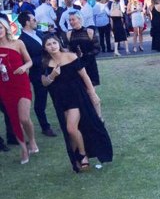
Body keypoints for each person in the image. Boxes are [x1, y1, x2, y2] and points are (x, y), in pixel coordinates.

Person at [41, 34, 112, 172]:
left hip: (77, 97)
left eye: (54, 43)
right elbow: (44, 82)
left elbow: (85, 76)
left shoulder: (71, 56)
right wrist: (52, 76)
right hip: (60, 100)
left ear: (59, 43)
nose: (52, 46)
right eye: (48, 44)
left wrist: (92, 94)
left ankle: (82, 155)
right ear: (45, 48)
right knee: (71, 132)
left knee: (71, 128)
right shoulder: (45, 62)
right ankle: (76, 159)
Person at [0, 13, 38, 164]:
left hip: (21, 83)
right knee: (14, 119)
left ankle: (32, 140)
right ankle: (23, 148)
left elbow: (29, 62)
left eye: (0, 27)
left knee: (24, 117)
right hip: (4, 86)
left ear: (5, 28)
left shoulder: (18, 43)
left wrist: (23, 67)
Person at [17, 11, 57, 137]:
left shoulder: (39, 33)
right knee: (40, 102)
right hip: (38, 75)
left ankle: (65, 120)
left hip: (51, 70)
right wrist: (41, 57)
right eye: (34, 20)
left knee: (59, 97)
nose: (36, 21)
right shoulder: (21, 40)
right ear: (27, 22)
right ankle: (45, 127)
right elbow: (25, 60)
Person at [66, 11, 102, 102]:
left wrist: (84, 55)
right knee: (80, 93)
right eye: (69, 20)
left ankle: (96, 113)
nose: (71, 22)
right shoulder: (69, 34)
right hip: (76, 66)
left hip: (90, 65)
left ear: (79, 19)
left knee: (91, 92)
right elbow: (68, 50)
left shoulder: (89, 31)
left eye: (73, 19)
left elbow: (97, 48)